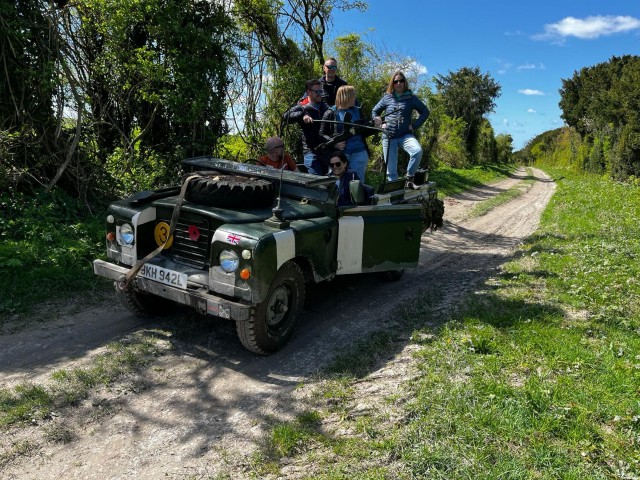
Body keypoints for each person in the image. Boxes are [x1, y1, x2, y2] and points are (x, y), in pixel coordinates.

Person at [372, 71, 429, 188]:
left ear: (405, 82)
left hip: (405, 135)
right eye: (396, 81)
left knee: (417, 151)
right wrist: (379, 122)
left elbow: (425, 112)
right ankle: (395, 194)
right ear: (392, 83)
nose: (398, 83)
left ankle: (409, 179)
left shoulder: (411, 98)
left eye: (401, 81)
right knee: (391, 171)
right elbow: (374, 111)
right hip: (389, 136)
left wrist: (414, 125)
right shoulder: (387, 97)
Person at [319, 85, 370, 182]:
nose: (355, 98)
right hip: (340, 155)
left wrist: (375, 124)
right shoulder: (331, 113)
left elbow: (365, 129)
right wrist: (334, 143)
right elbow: (321, 134)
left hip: (359, 152)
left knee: (357, 185)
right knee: (337, 184)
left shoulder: (357, 110)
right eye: (353, 95)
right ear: (346, 96)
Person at [283, 79, 329, 175]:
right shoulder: (302, 106)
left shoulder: (326, 107)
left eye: (321, 91)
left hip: (326, 150)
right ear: (308, 92)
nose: (320, 94)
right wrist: (302, 116)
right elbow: (286, 116)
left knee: (331, 181)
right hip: (311, 151)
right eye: (317, 92)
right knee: (317, 181)